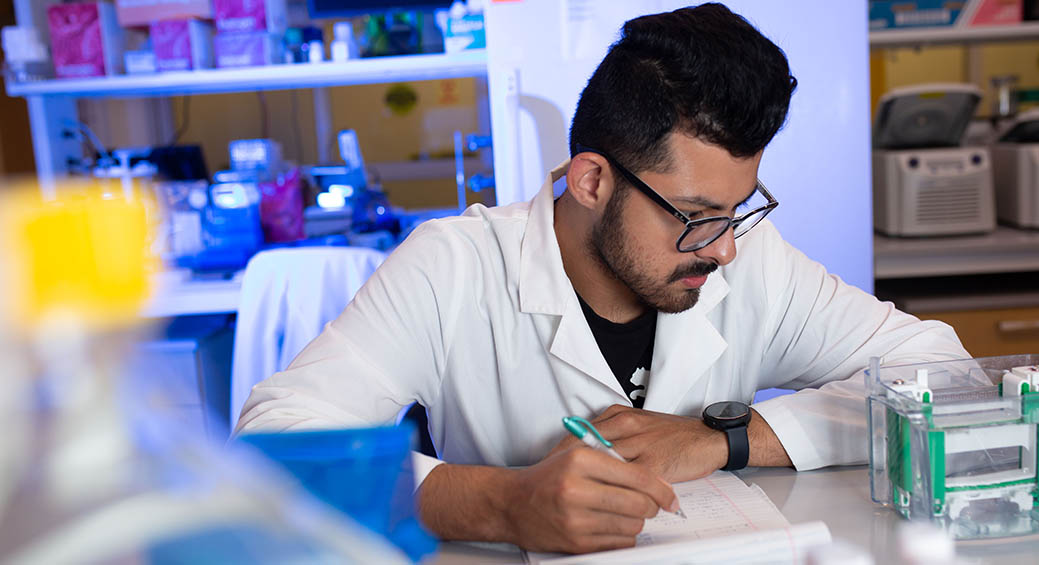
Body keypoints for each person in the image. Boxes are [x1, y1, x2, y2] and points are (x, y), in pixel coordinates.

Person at [236, 3, 968, 554]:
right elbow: (277, 448)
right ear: (591, 180)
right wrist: (500, 502)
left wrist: (727, 440)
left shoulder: (750, 260)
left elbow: (944, 369)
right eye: (695, 214)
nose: (724, 252)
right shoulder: (452, 266)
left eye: (736, 211)